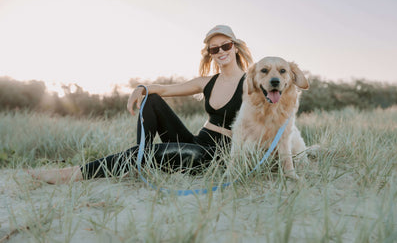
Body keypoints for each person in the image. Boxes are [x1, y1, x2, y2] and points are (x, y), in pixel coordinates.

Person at [28, 25, 253, 184]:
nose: (221, 52)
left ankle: (70, 175)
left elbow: (274, 114)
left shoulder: (252, 82)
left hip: (215, 156)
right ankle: (139, 158)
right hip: (196, 142)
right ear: (210, 55)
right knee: (152, 99)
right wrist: (142, 88)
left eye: (225, 46)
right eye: (215, 49)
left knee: (151, 152)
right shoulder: (207, 82)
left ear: (235, 47)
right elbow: (164, 90)